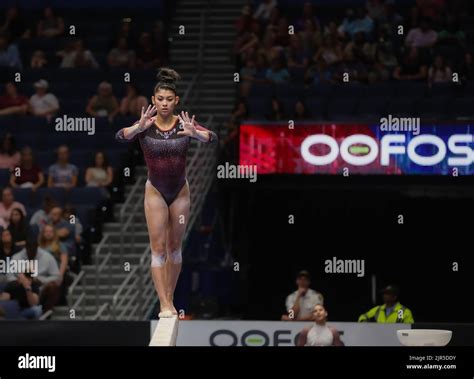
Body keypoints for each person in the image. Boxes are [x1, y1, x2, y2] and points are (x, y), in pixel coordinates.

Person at [115, 68, 217, 318]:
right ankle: (164, 304)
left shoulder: (184, 124)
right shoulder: (145, 125)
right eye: (159, 99)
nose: (164, 103)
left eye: (169, 99)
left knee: (174, 248)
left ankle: (169, 297)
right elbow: (120, 136)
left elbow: (212, 138)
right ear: (153, 100)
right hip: (155, 192)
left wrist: (196, 134)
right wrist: (137, 128)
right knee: (158, 248)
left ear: (176, 101)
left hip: (180, 191)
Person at [6, 237, 60, 313]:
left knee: (53, 287)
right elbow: (9, 277)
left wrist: (41, 280)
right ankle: (19, 312)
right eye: (29, 248)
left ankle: (46, 314)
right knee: (13, 287)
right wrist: (20, 281)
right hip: (21, 288)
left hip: (41, 287)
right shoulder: (16, 258)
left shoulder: (48, 257)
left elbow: (57, 277)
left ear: (37, 247)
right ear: (25, 247)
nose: (31, 250)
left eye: (34, 248)